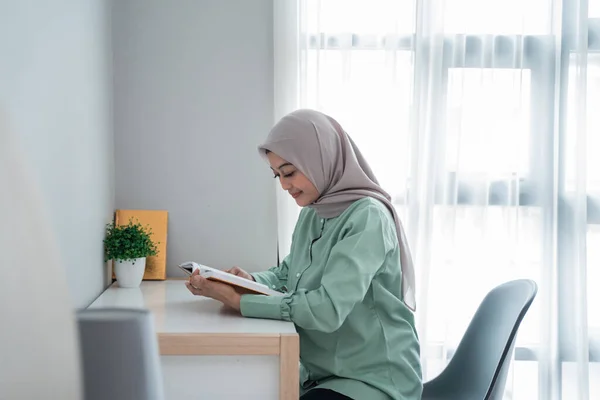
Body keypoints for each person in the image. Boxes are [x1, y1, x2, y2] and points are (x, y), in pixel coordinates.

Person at [185, 109, 422, 400]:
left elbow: (328, 309)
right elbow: (289, 274)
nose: (284, 185)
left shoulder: (368, 217)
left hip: (373, 380)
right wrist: (249, 281)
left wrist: (242, 302)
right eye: (278, 176)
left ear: (319, 159)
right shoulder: (316, 211)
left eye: (289, 172)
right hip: (320, 373)